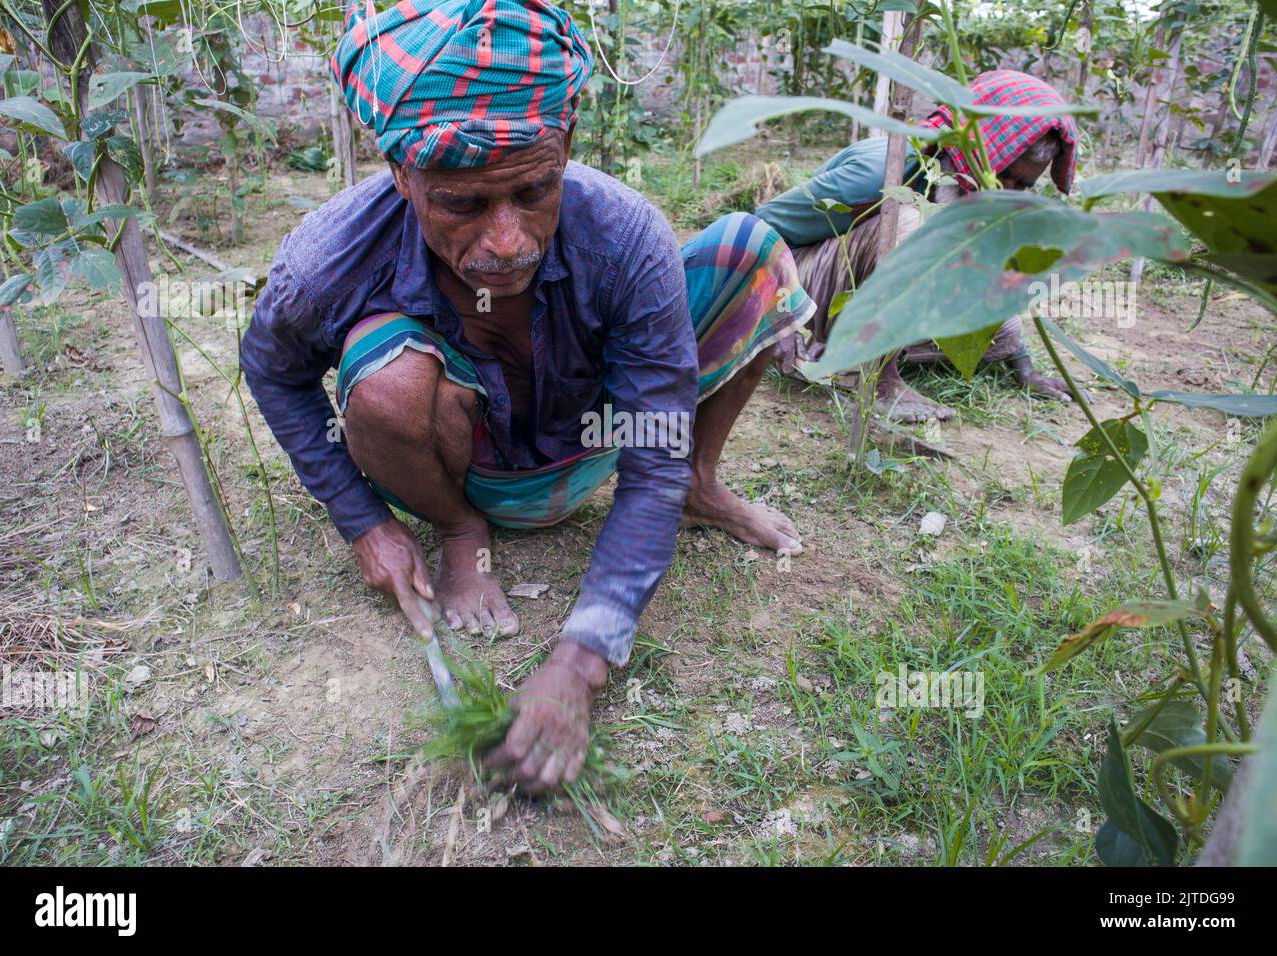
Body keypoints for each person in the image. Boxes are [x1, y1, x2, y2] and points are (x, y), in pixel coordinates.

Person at [240, 0, 814, 794]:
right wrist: (365, 525)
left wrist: (580, 661)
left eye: (534, 192)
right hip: (468, 461)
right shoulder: (329, 258)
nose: (506, 241)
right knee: (385, 378)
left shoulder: (624, 236)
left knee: (751, 251)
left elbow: (650, 447)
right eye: (462, 204)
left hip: (596, 439)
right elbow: (272, 369)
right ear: (403, 174)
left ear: (566, 146)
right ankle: (460, 529)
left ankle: (700, 488)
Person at [756, 69, 1080, 422]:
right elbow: (759, 230)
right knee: (914, 223)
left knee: (1004, 333)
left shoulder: (981, 198)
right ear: (980, 145)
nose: (1008, 190)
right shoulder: (885, 170)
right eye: (1005, 174)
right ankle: (877, 378)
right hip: (803, 284)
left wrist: (1026, 369)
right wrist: (779, 323)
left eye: (1023, 184)